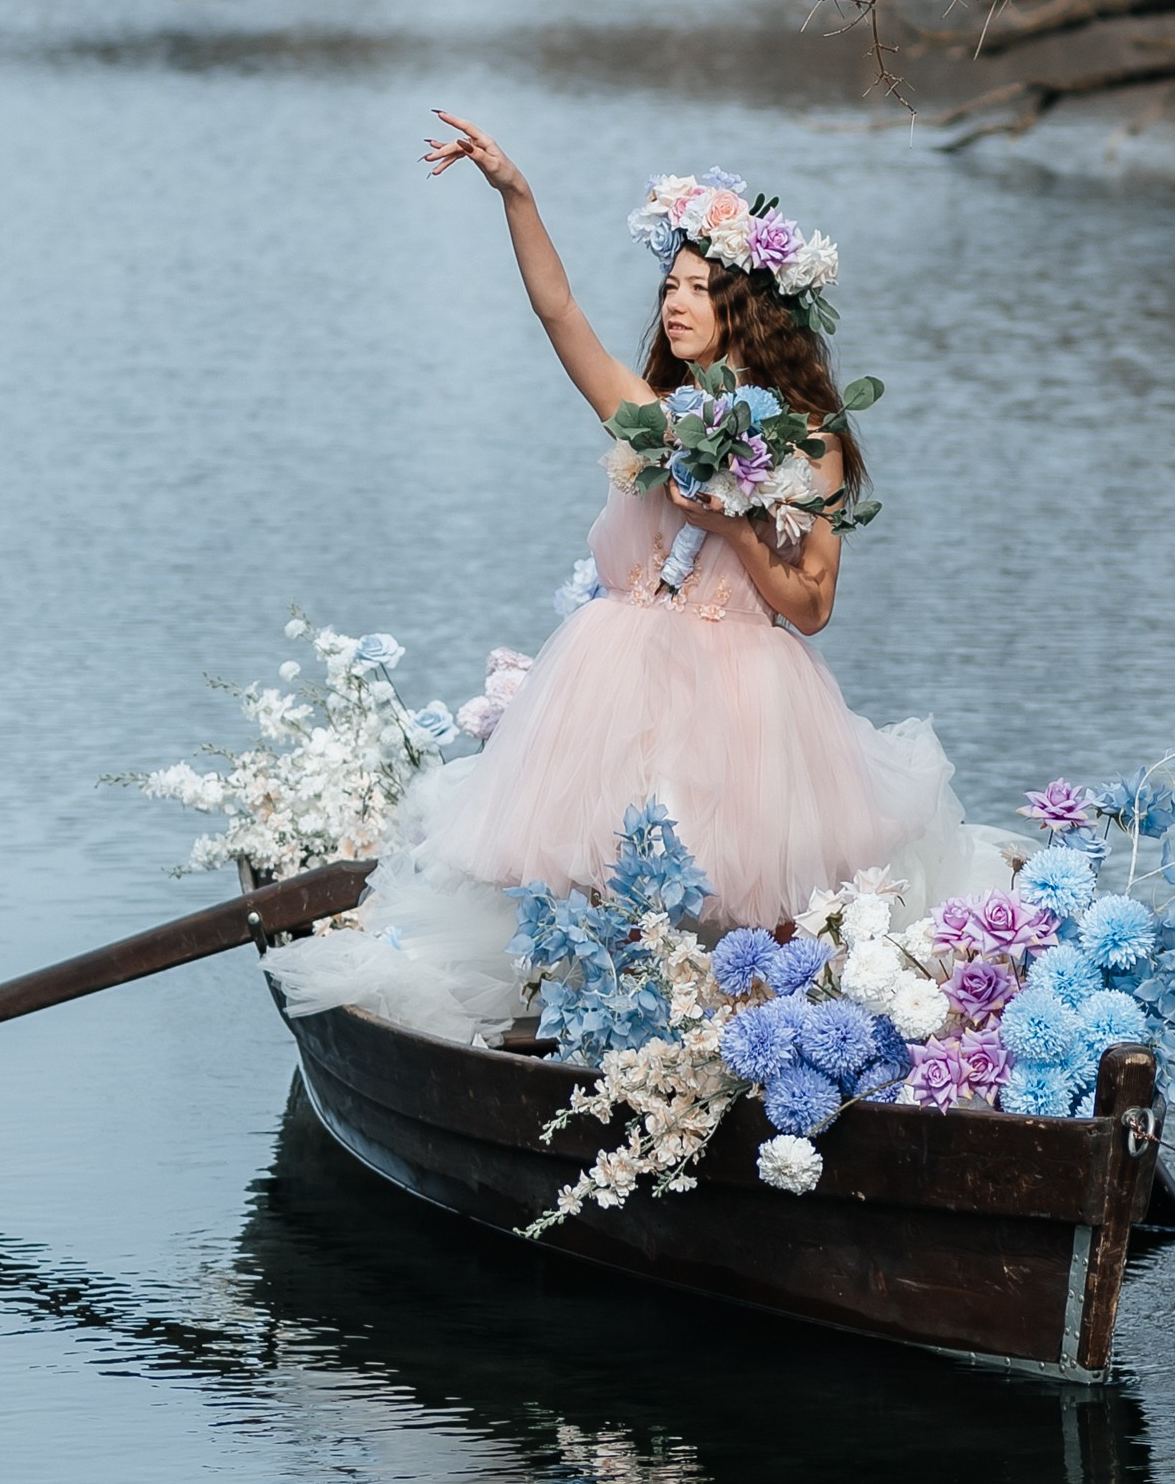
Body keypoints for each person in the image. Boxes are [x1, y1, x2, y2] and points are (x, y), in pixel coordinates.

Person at [268, 124, 1011, 1043]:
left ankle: (731, 1046)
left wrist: (732, 527)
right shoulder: (648, 416)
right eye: (669, 287)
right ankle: (594, 1035)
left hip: (746, 697)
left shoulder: (809, 437)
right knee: (601, 877)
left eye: (698, 288)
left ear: (747, 306)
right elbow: (559, 312)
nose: (674, 303)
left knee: (739, 894)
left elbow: (813, 606)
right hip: (613, 679)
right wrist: (515, 192)